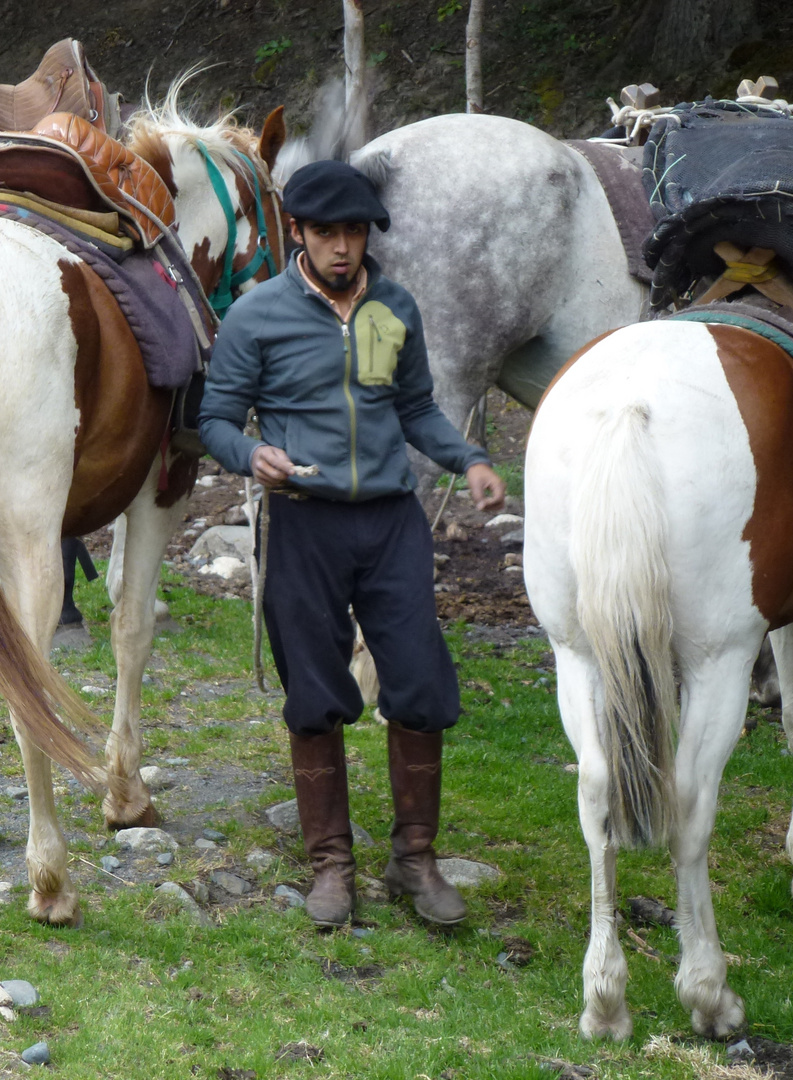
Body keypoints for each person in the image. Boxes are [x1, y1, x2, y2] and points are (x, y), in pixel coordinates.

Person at [199, 159, 505, 927]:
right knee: (315, 688)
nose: (343, 247)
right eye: (327, 232)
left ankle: (415, 859)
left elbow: (417, 409)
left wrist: (468, 458)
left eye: (356, 232)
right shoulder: (257, 316)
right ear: (298, 233)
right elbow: (212, 420)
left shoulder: (394, 305)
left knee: (422, 684)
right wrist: (250, 455)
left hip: (390, 521)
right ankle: (332, 864)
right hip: (303, 521)